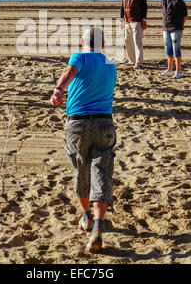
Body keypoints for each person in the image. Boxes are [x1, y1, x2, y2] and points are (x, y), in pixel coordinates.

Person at [50, 26, 117, 253]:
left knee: (81, 168)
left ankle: (87, 217)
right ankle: (97, 226)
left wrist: (59, 89)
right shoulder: (110, 64)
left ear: (82, 41)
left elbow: (70, 71)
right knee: (102, 172)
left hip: (78, 123)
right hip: (105, 123)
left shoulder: (79, 56)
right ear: (104, 44)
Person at [160, 0, 188, 79]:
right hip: (166, 28)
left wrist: (181, 26)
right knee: (168, 50)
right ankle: (169, 69)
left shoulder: (178, 0)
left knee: (176, 49)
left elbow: (185, 15)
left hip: (176, 28)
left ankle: (178, 71)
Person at [120, 0, 147, 69]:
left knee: (137, 41)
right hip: (127, 20)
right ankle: (132, 60)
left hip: (137, 19)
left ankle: (139, 62)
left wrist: (144, 19)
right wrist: (122, 20)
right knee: (128, 40)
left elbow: (144, 6)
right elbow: (122, 6)